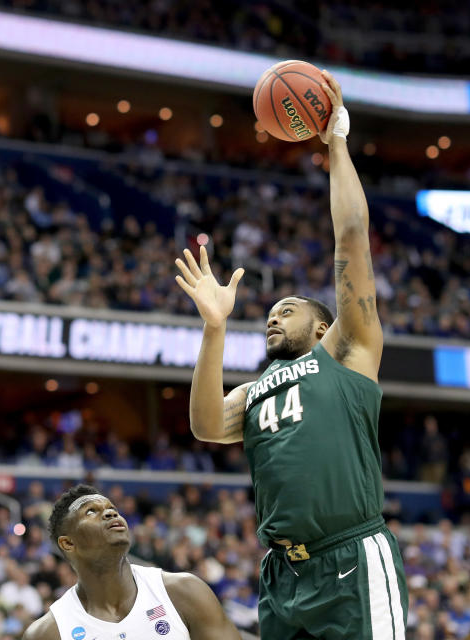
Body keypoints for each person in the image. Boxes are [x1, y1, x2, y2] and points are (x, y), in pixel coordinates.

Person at [174, 72, 408, 639]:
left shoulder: (347, 352)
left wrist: (336, 144)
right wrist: (214, 327)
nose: (274, 315)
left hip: (352, 557)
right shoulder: (255, 392)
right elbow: (206, 425)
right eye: (271, 312)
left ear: (324, 323)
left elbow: (351, 234)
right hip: (283, 573)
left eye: (289, 307)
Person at [22, 484, 241, 640]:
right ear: (68, 543)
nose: (109, 513)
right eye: (91, 512)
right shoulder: (49, 632)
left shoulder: (184, 592)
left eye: (112, 509)